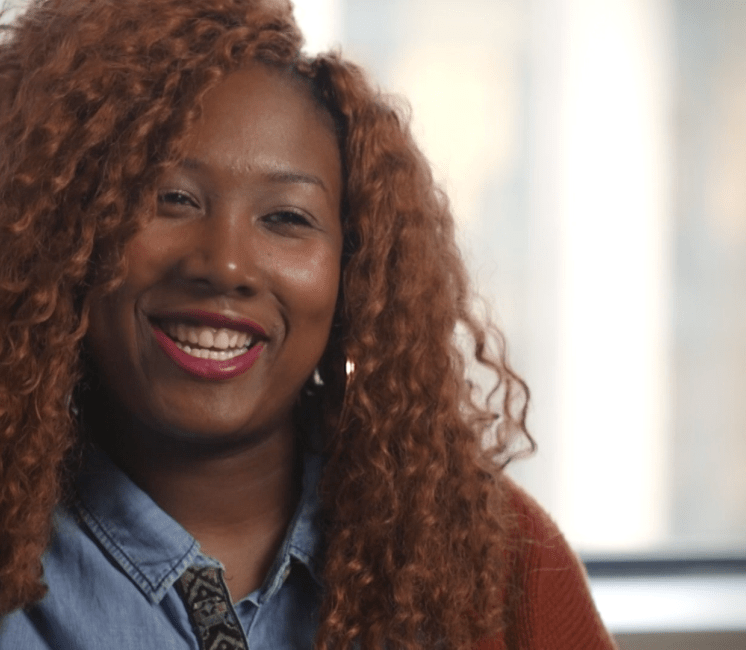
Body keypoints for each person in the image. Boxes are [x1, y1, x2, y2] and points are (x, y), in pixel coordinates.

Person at [0, 1, 618, 648]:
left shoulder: (493, 559)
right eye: (170, 199)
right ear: (61, 233)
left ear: (355, 272)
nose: (225, 264)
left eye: (286, 218)